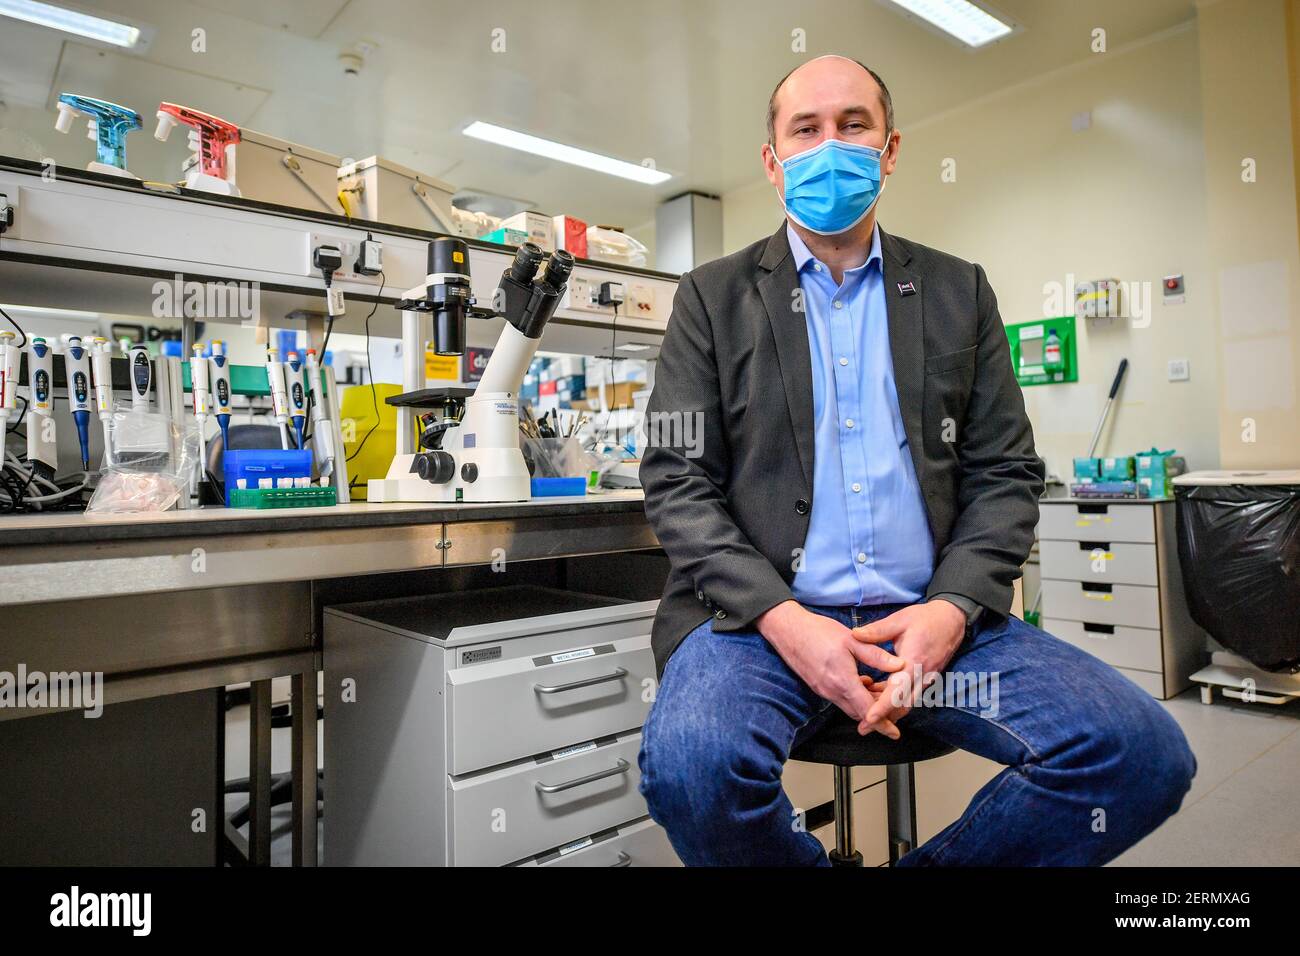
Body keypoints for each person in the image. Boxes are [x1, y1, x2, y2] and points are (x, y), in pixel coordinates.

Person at [637, 54, 1195, 866]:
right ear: (772, 159)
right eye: (807, 128)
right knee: (693, 772)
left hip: (932, 634)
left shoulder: (955, 291)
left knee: (1140, 755)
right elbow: (677, 480)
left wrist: (949, 611)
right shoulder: (710, 298)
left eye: (853, 125)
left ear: (890, 149)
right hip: (757, 633)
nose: (832, 145)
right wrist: (787, 622)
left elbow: (1005, 473)